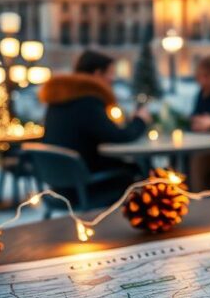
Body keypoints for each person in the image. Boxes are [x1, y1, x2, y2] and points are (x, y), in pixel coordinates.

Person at [38, 50, 151, 197]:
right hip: (84, 187)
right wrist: (140, 119)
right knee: (140, 173)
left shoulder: (59, 100)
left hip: (60, 185)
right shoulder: (87, 102)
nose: (113, 79)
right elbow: (118, 136)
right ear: (98, 73)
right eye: (111, 73)